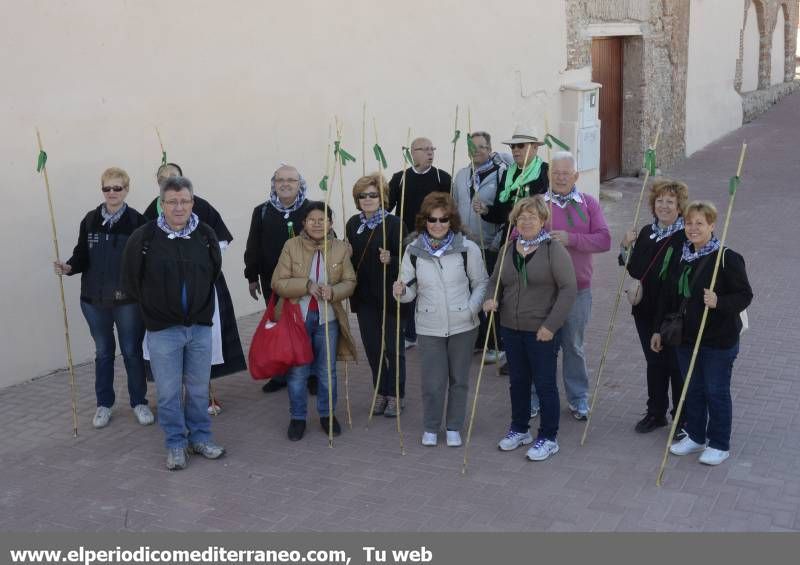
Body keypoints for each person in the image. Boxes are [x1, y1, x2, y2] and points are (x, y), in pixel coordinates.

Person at [121, 176, 225, 470]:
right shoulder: (144, 238)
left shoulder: (205, 234)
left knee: (197, 390)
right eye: (172, 202)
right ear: (161, 204)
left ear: (192, 202)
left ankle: (201, 438)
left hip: (200, 328)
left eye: (184, 201)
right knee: (167, 393)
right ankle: (176, 444)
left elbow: (213, 272)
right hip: (163, 331)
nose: (179, 207)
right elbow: (131, 280)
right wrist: (156, 309)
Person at [652, 201, 752, 466]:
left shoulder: (727, 258)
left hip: (718, 340)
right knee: (692, 388)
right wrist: (658, 329)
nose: (693, 228)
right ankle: (695, 435)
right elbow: (669, 296)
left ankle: (719, 443)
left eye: (700, 223)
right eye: (689, 223)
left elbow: (744, 295)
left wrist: (719, 301)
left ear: (712, 225)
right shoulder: (680, 254)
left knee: (715, 390)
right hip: (685, 338)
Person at [54, 167, 152, 429]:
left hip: (127, 302)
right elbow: (81, 255)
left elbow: (145, 262)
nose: (112, 193)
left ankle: (139, 402)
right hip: (93, 301)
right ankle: (104, 405)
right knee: (103, 352)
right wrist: (69, 267)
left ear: (126, 190)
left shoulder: (138, 222)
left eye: (117, 188)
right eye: (107, 188)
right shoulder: (89, 220)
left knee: (131, 351)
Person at [144, 163, 245, 414]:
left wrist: (201, 259)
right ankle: (172, 397)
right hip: (164, 295)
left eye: (174, 177)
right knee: (168, 348)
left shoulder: (200, 205)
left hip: (202, 288)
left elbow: (221, 239)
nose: (169, 181)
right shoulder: (150, 212)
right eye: (163, 179)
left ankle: (206, 395)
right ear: (158, 184)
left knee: (202, 344)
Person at [484, 196, 576, 461]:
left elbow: (569, 289)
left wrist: (551, 325)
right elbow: (495, 281)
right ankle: (520, 428)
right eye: (521, 217)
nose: (526, 221)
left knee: (545, 384)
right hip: (510, 328)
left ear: (543, 220)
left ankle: (548, 436)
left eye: (532, 217)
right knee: (518, 382)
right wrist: (491, 298)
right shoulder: (508, 248)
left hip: (541, 330)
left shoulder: (552, 250)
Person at [393, 193, 488, 447]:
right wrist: (401, 292)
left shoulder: (468, 248)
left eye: (443, 219)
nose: (437, 224)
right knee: (433, 382)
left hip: (463, 325)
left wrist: (470, 309)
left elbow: (481, 283)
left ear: (451, 220)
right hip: (429, 326)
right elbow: (409, 290)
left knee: (459, 380)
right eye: (432, 219)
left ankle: (454, 426)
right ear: (424, 220)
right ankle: (431, 426)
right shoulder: (413, 251)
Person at [532, 150, 611, 420]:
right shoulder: (537, 204)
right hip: (542, 290)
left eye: (566, 174)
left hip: (578, 290)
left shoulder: (588, 203)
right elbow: (517, 237)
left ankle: (578, 399)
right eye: (556, 174)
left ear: (576, 176)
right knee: (540, 346)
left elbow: (604, 240)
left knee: (573, 346)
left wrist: (572, 238)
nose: (561, 178)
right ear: (549, 175)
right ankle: (536, 398)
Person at [272, 202, 357, 441]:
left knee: (327, 371)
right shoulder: (291, 246)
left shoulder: (340, 248)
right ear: (304, 223)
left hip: (327, 318)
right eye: (312, 219)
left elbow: (350, 281)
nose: (318, 224)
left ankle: (327, 414)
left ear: (331, 223)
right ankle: (297, 417)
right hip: (297, 319)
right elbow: (278, 282)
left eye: (323, 219)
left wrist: (335, 291)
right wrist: (307, 286)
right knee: (298, 372)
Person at [620, 179, 689, 434]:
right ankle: (656, 412)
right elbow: (636, 269)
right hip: (645, 311)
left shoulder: (684, 236)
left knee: (675, 365)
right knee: (654, 362)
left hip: (672, 313)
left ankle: (682, 420)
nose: (664, 206)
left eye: (670, 201)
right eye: (659, 200)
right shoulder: (648, 231)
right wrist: (625, 246)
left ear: (680, 206)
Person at [244, 165, 317, 395]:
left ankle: (312, 374)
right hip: (272, 283)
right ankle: (280, 373)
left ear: (299, 184)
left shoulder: (312, 210)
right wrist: (251, 276)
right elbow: (253, 245)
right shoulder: (262, 211)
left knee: (307, 328)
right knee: (278, 327)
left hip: (306, 282)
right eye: (280, 180)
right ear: (273, 183)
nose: (285, 184)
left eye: (291, 180)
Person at [346, 174, 411, 417]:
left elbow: (408, 261)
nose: (368, 199)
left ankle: (396, 395)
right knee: (373, 347)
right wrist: (347, 254)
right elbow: (351, 262)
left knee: (394, 348)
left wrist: (391, 259)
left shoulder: (395, 224)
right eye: (362, 195)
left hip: (391, 294)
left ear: (382, 197)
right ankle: (381, 392)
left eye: (373, 194)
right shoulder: (353, 224)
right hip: (365, 296)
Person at [452, 131, 512, 363]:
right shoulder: (461, 175)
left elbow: (505, 210)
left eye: (482, 147)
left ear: (489, 149)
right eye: (473, 147)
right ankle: (476, 340)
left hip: (489, 244)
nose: (477, 151)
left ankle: (496, 343)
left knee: (489, 292)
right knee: (468, 292)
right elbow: (454, 205)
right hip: (464, 243)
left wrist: (486, 212)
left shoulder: (501, 175)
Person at [387, 137, 451, 349]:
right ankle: (409, 333)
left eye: (432, 149)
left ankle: (439, 328)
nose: (430, 153)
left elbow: (450, 209)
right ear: (412, 153)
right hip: (406, 239)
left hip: (435, 238)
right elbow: (387, 207)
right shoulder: (400, 178)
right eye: (424, 149)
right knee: (408, 282)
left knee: (433, 283)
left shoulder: (443, 177)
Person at [478, 126, 549, 228]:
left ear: (535, 147)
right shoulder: (507, 174)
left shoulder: (546, 172)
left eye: (520, 145)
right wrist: (486, 210)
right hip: (510, 237)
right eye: (513, 146)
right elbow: (501, 213)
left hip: (536, 236)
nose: (515, 150)